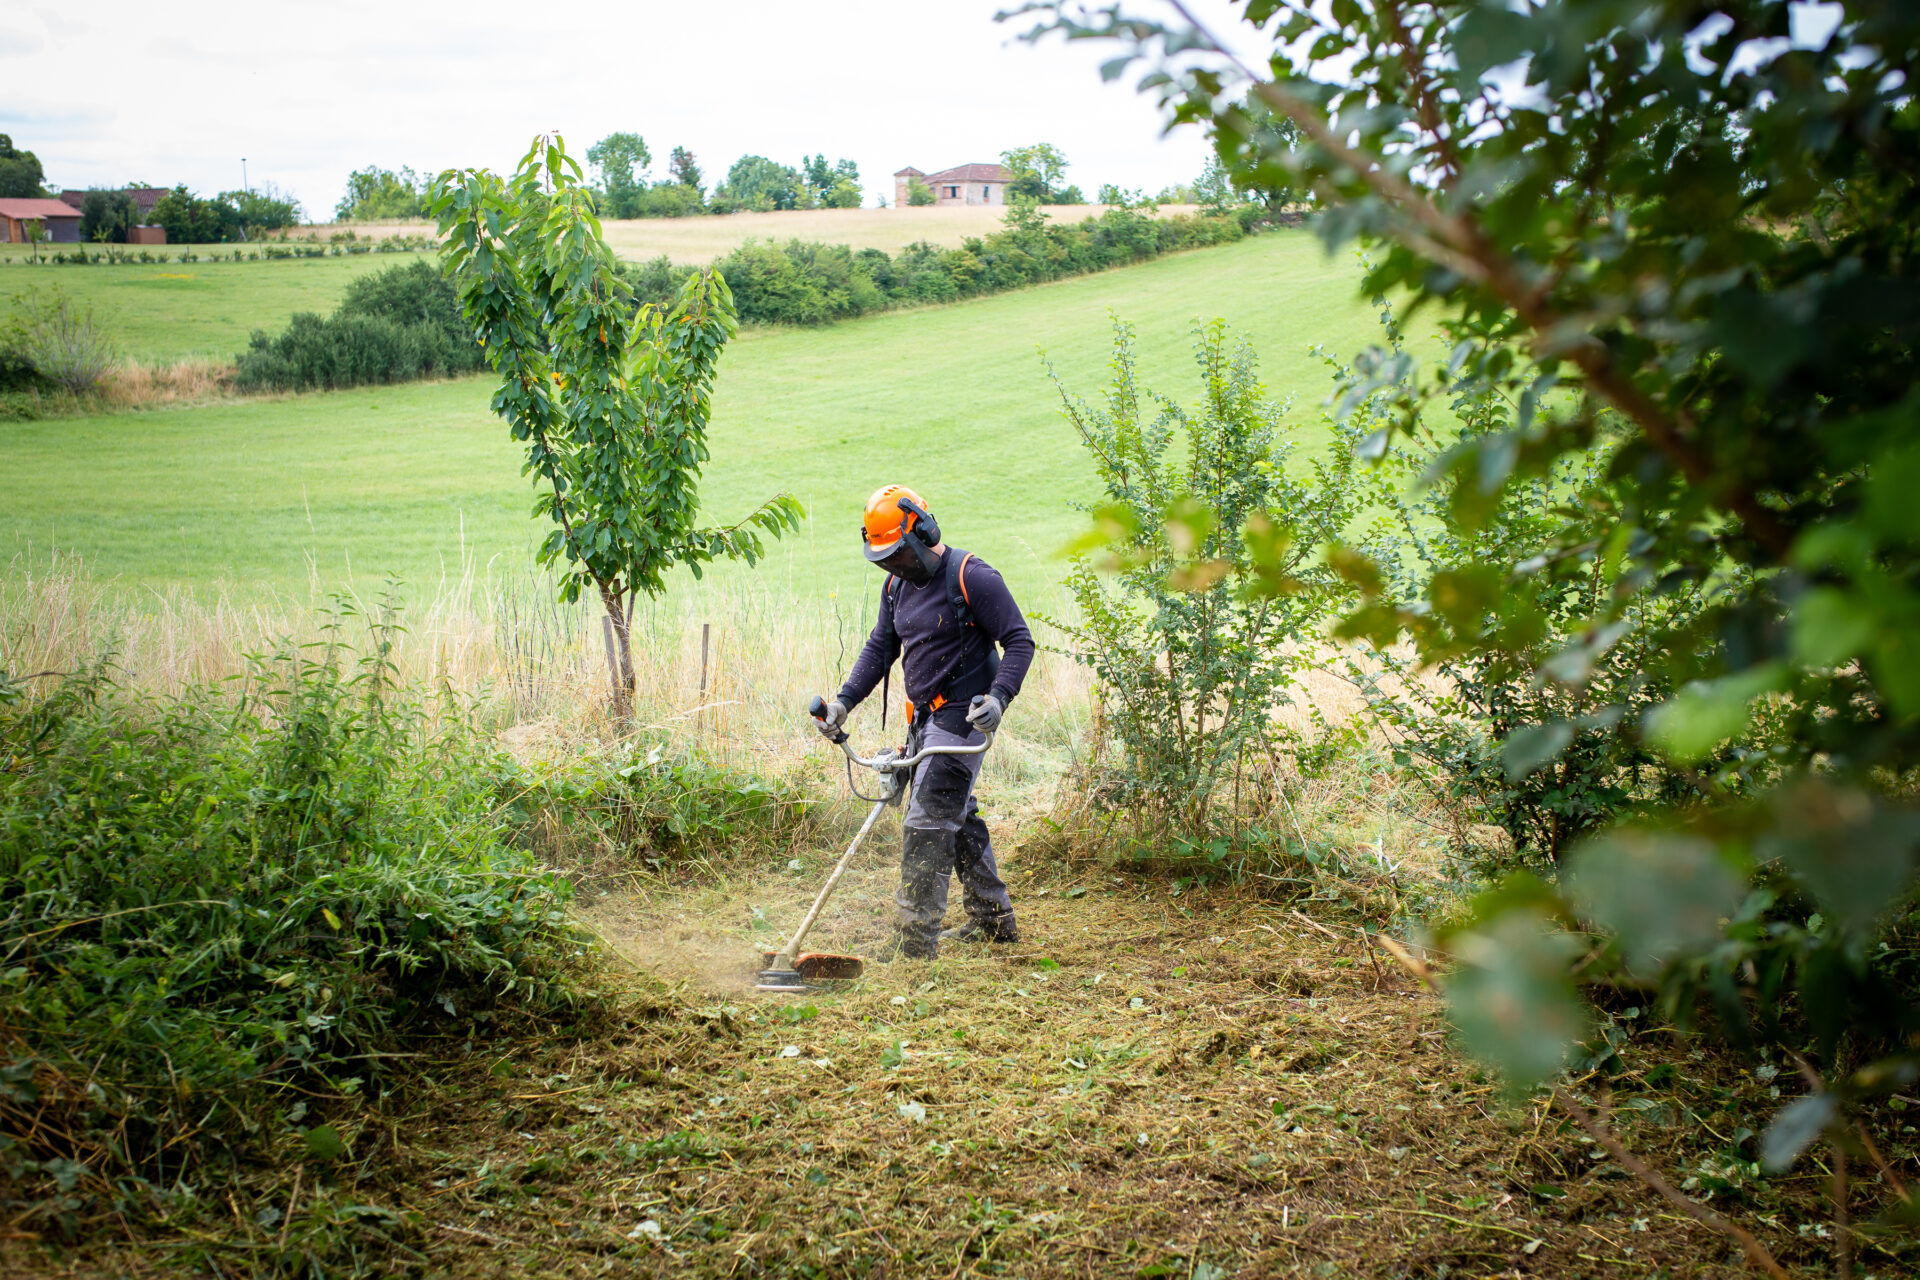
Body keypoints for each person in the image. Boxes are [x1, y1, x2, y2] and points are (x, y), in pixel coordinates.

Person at [815, 485, 1035, 958]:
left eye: (897, 554)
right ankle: (994, 921)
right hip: (925, 719)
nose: (892, 565)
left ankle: (914, 945)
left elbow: (1020, 641)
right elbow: (881, 647)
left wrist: (998, 699)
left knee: (928, 820)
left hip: (964, 716)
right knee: (957, 813)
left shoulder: (972, 577)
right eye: (883, 558)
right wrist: (843, 702)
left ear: (923, 532)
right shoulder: (896, 587)